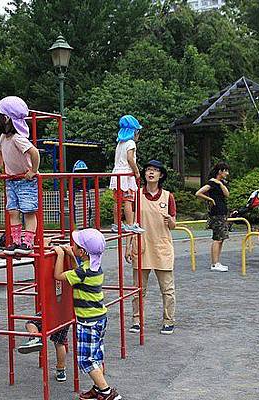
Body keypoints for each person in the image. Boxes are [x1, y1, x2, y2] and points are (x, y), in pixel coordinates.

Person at [53, 229, 121, 400]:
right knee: (96, 357)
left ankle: (107, 392)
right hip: (99, 318)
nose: (71, 246)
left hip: (88, 322)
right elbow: (79, 273)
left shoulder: (83, 272)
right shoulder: (94, 268)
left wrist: (60, 254)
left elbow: (58, 276)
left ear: (82, 252)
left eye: (74, 245)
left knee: (87, 360)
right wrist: (71, 255)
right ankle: (98, 388)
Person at [129, 160, 177, 335]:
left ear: (161, 175)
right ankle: (137, 320)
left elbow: (173, 224)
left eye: (155, 170)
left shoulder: (168, 196)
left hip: (162, 246)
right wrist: (129, 245)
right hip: (141, 246)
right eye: (148, 169)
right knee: (138, 289)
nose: (151, 173)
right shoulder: (136, 195)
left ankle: (168, 320)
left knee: (167, 288)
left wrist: (170, 221)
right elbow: (131, 222)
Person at [0, 96, 40, 256]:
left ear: (6, 119)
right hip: (11, 180)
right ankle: (16, 241)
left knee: (28, 211)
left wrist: (33, 170)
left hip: (25, 180)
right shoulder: (4, 138)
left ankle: (28, 242)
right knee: (12, 211)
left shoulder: (18, 138)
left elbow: (34, 152)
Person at [109, 115, 145, 234]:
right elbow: (130, 158)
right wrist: (136, 171)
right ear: (134, 132)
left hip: (117, 174)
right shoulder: (130, 143)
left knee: (117, 201)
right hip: (126, 175)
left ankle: (116, 224)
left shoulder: (120, 143)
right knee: (128, 200)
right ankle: (130, 224)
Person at [196, 162, 230, 272]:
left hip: (223, 211)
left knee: (222, 238)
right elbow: (199, 193)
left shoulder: (220, 183)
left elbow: (227, 194)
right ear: (220, 171)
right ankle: (214, 263)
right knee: (217, 238)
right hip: (216, 213)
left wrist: (220, 184)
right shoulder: (211, 182)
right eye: (225, 171)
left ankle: (217, 261)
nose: (227, 173)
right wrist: (210, 199)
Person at [17, 312, 70, 382]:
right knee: (60, 343)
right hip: (66, 315)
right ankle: (61, 371)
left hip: (50, 312)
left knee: (31, 323)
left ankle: (35, 338)